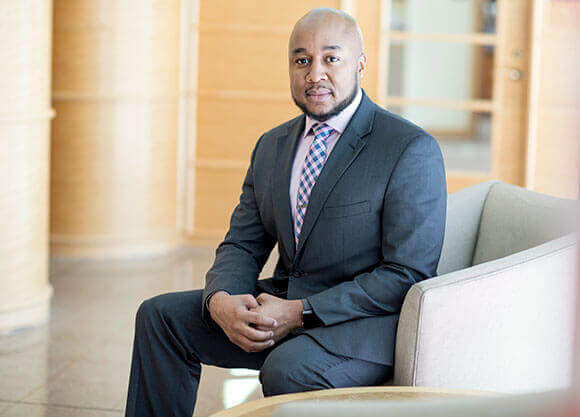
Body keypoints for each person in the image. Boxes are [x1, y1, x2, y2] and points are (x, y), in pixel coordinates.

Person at [125, 7, 446, 417]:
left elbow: (408, 274)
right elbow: (243, 241)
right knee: (160, 317)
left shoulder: (408, 148)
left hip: (363, 326)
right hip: (281, 306)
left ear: (360, 64)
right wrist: (222, 299)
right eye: (302, 60)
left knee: (287, 370)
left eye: (331, 58)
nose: (315, 74)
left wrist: (299, 313)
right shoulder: (272, 145)